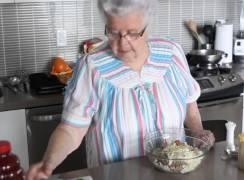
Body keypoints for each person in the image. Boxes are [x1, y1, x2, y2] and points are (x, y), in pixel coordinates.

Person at [26, 0, 214, 179]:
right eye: (114, 32)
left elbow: (189, 102)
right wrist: (48, 163)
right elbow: (71, 130)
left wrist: (198, 132)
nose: (122, 44)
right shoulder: (91, 67)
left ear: (147, 26)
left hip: (174, 175)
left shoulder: (172, 52)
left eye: (132, 33)